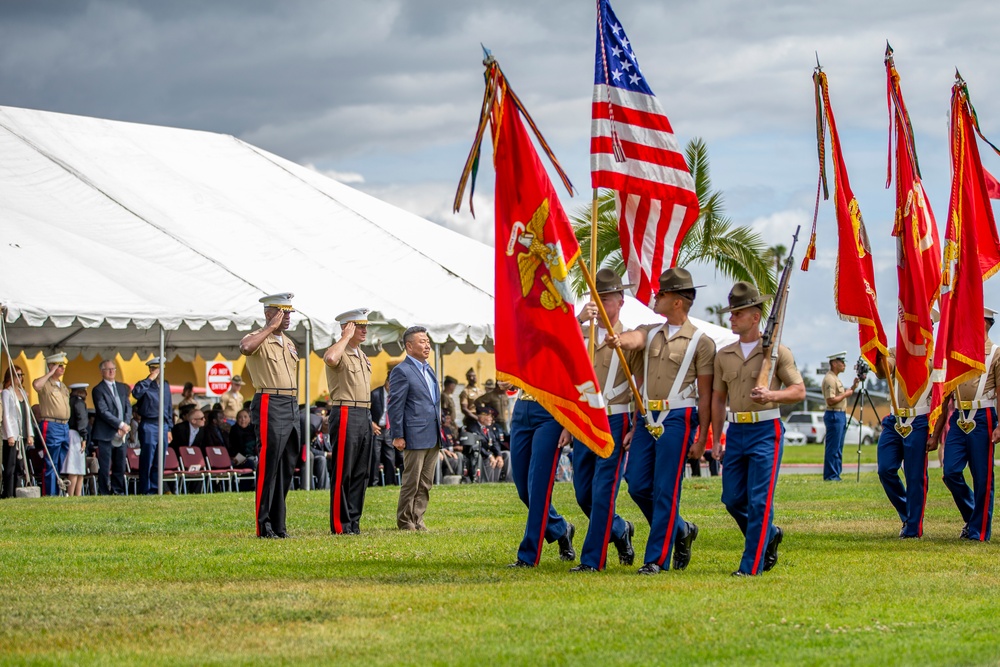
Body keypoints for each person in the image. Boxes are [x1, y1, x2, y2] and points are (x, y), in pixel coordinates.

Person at [610, 268, 715, 574]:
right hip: (646, 417)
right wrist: (619, 339)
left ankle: (656, 559)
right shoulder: (651, 330)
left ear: (678, 302)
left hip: (678, 416)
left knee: (666, 488)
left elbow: (706, 396)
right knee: (637, 484)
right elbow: (634, 338)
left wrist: (702, 437)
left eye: (662, 294)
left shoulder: (701, 342)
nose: (656, 297)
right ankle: (681, 529)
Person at [711, 282, 805, 576]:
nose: (732, 318)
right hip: (736, 431)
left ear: (755, 316)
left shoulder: (778, 353)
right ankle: (769, 534)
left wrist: (772, 395)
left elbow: (798, 390)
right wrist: (716, 438)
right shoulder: (724, 354)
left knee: (760, 500)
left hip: (766, 430)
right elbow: (718, 398)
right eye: (732, 313)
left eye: (739, 312)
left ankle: (751, 565)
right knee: (732, 499)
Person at [565, 269, 642, 572]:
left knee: (602, 490)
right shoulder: (582, 333)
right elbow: (558, 344)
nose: (599, 303)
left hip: (616, 417)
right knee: (583, 491)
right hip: (586, 419)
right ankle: (620, 529)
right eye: (595, 297)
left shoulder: (630, 338)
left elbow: (640, 386)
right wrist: (580, 318)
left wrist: (636, 424)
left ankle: (592, 560)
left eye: (606, 298)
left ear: (620, 301)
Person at [932, 307, 1000, 541]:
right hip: (959, 418)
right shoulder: (957, 354)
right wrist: (936, 433)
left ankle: (978, 532)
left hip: (984, 417)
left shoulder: (996, 354)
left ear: (984, 324)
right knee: (950, 472)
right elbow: (945, 397)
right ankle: (973, 517)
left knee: (983, 477)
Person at [240, 292, 301, 538]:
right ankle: (263, 525)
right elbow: (245, 347)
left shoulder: (288, 342)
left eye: (288, 313)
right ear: (269, 314)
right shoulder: (257, 337)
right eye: (282, 313)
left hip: (291, 402)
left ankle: (279, 525)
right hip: (269, 400)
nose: (287, 318)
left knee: (286, 466)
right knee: (269, 465)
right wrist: (269, 328)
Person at [507, 387, 576, 567]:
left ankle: (528, 556)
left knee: (538, 490)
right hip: (522, 406)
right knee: (524, 490)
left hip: (551, 410)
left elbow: (571, 379)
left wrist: (568, 424)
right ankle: (560, 528)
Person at [323, 308, 376, 535]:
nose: (364, 330)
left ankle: (353, 521)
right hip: (345, 411)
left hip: (363, 413)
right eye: (359, 326)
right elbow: (331, 358)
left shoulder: (361, 355)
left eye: (365, 326)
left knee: (361, 472)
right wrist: (345, 337)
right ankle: (339, 523)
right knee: (343, 469)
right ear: (348, 327)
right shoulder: (339, 351)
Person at [873, 344, 933, 539]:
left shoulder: (937, 353)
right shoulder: (896, 350)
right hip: (895, 418)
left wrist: (936, 430)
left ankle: (913, 528)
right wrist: (876, 355)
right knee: (885, 468)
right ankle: (909, 514)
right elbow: (884, 372)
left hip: (920, 417)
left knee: (914, 476)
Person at [389, 326, 442, 531]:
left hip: (432, 434)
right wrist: (398, 435)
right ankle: (405, 521)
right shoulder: (401, 371)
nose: (427, 344)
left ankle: (418, 519)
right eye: (422, 341)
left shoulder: (429, 369)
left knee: (426, 482)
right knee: (412, 480)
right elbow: (395, 405)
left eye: (427, 340)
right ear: (409, 346)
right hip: (414, 434)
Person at [32, 352, 72, 496]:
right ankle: (49, 494)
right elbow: (36, 385)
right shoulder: (46, 384)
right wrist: (51, 373)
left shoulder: (62, 386)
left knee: (60, 460)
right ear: (51, 366)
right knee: (50, 461)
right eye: (59, 366)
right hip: (51, 425)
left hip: (64, 425)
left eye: (63, 365)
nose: (62, 368)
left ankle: (56, 490)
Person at [132, 357, 173, 495]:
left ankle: (156, 488)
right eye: (156, 369)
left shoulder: (165, 385)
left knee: (159, 459)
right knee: (147, 459)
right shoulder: (145, 384)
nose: (160, 372)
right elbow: (136, 393)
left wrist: (169, 428)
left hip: (163, 424)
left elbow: (168, 407)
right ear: (151, 369)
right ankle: (145, 489)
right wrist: (150, 378)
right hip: (149, 423)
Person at [91, 361, 132, 496]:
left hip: (122, 433)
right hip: (106, 433)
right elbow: (103, 411)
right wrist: (120, 425)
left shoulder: (121, 388)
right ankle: (104, 491)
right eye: (108, 369)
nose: (111, 371)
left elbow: (127, 407)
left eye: (113, 369)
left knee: (119, 464)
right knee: (105, 465)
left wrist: (125, 425)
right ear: (102, 371)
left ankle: (117, 490)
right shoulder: (98, 389)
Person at [822, 351, 858, 482]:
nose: (844, 365)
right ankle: (831, 476)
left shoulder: (835, 378)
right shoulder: (830, 379)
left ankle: (835, 474)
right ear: (834, 363)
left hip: (840, 414)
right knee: (833, 447)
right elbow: (830, 400)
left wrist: (853, 387)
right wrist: (846, 394)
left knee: (838, 447)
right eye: (841, 362)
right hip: (834, 414)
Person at [2, 366, 33, 498]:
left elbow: (27, 415)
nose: (20, 378)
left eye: (21, 375)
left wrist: (30, 434)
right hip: (12, 435)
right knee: (10, 465)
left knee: (20, 466)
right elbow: (7, 415)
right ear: (11, 377)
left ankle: (17, 491)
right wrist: (9, 435)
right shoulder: (6, 393)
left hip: (22, 434)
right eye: (17, 375)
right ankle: (8, 493)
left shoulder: (22, 393)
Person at [459, 405, 509, 482]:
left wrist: (499, 455)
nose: (491, 419)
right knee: (489, 460)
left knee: (506, 455)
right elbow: (477, 446)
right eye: (488, 417)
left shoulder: (489, 428)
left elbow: (494, 442)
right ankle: (489, 482)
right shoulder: (473, 428)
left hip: (490, 453)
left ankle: (506, 480)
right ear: (481, 418)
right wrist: (489, 455)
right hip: (480, 455)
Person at [369, 374, 401, 486]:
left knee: (390, 457)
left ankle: (390, 482)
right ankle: (374, 482)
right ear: (386, 382)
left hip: (388, 430)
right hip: (377, 429)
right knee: (375, 457)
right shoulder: (375, 394)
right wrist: (371, 423)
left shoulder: (396, 395)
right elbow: (367, 411)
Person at [63, 385, 88, 497]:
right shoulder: (79, 403)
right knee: (76, 467)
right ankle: (74, 494)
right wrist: (84, 437)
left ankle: (75, 494)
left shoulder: (69, 401)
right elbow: (81, 420)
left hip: (69, 432)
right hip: (76, 435)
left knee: (77, 467)